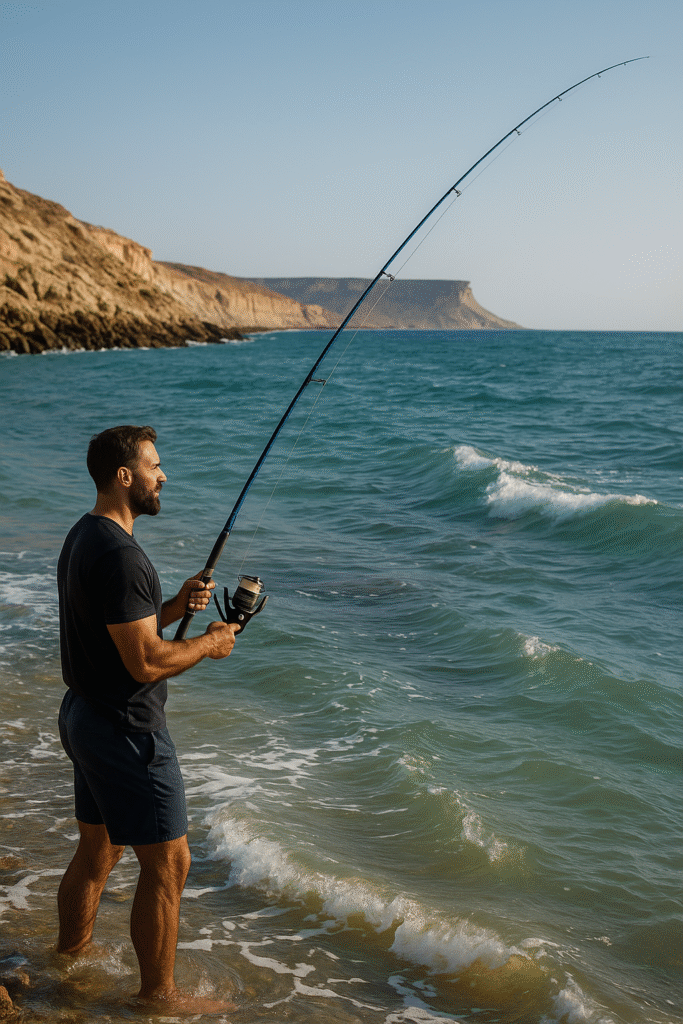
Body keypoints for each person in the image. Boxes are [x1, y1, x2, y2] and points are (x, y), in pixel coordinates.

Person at [56, 424, 238, 1012]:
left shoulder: (86, 536)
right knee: (170, 864)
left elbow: (119, 630)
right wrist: (210, 643)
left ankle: (68, 958)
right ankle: (158, 996)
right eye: (155, 466)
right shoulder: (122, 554)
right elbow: (143, 661)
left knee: (99, 850)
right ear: (124, 476)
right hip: (125, 730)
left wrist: (173, 608)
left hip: (84, 715)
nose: (165, 476)